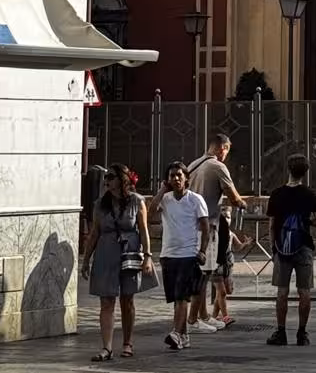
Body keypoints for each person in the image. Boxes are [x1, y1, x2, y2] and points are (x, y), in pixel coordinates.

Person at [80, 163, 155, 360]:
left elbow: (144, 230)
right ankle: (106, 347)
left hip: (128, 252)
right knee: (106, 300)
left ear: (122, 180)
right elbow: (94, 233)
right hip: (106, 252)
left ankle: (128, 343)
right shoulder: (100, 204)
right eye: (106, 178)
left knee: (127, 299)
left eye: (111, 177)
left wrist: (147, 256)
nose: (107, 181)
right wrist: (86, 260)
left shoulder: (137, 202)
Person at [187, 133, 247, 327]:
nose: (226, 155)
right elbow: (234, 197)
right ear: (223, 148)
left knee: (201, 273)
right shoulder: (218, 167)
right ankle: (194, 318)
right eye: (226, 151)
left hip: (189, 226)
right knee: (203, 275)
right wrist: (242, 203)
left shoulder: (192, 165)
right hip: (207, 228)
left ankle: (203, 316)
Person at [148, 161, 209, 351]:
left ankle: (175, 332)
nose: (175, 179)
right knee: (177, 298)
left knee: (183, 296)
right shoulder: (165, 199)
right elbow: (150, 213)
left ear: (186, 178)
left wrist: (202, 251)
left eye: (179, 175)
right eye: (172, 176)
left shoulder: (195, 199)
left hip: (188, 254)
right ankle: (183, 336)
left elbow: (205, 227)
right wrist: (161, 191)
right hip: (168, 254)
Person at [265, 154, 316, 346]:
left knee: (282, 291)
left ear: (288, 170)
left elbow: (272, 225)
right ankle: (302, 333)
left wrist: (273, 248)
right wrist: (305, 220)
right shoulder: (310, 194)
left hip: (282, 248)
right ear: (305, 173)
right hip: (304, 245)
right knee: (304, 291)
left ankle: (281, 332)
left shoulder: (276, 194)